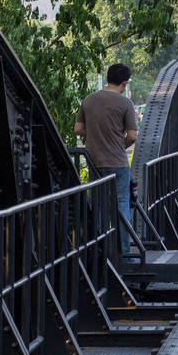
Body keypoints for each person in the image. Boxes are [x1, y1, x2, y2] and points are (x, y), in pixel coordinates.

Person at [74, 63, 138, 256]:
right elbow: (133, 136)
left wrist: (94, 134)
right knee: (121, 206)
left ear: (107, 77)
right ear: (125, 83)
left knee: (98, 207)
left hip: (95, 162)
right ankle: (124, 253)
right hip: (118, 163)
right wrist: (120, 145)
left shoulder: (88, 100)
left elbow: (77, 129)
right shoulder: (125, 103)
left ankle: (99, 252)